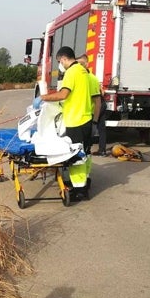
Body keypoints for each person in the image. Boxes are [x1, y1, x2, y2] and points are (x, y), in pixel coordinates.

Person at [33, 46, 100, 193]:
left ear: (64, 58)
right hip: (86, 118)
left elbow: (63, 94)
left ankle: (77, 188)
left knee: (75, 156)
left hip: (75, 120)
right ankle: (85, 180)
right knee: (85, 152)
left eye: (59, 61)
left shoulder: (71, 72)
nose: (60, 65)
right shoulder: (85, 73)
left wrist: (43, 98)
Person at [76, 54, 107, 156]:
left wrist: (94, 120)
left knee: (91, 130)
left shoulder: (88, 78)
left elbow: (97, 99)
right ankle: (102, 150)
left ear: (86, 64)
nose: (78, 66)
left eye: (80, 64)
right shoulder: (92, 77)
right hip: (99, 105)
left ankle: (87, 150)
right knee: (101, 129)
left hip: (96, 108)